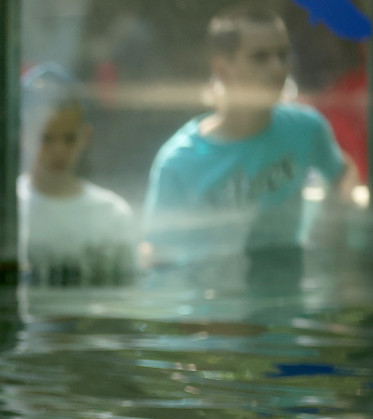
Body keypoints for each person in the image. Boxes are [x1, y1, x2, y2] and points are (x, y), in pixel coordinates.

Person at [143, 4, 356, 266]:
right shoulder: (179, 162)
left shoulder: (306, 128)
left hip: (287, 294)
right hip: (213, 300)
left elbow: (343, 174)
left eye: (283, 54)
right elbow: (157, 256)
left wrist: (331, 232)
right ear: (222, 70)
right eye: (260, 57)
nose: (278, 68)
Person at [17, 63, 137, 287]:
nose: (59, 150)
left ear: (85, 136)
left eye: (69, 138)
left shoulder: (113, 215)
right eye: (46, 138)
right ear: (24, 136)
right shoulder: (10, 210)